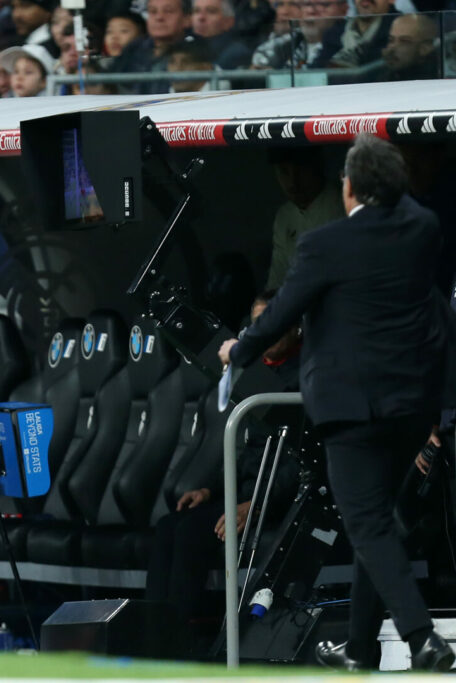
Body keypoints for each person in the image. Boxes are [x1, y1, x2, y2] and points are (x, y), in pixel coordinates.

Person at [218, 134, 453, 672]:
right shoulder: (423, 229)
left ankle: (423, 639)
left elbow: (280, 315)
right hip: (409, 404)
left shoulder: (325, 246)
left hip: (350, 407)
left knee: (368, 523)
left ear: (348, 188)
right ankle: (360, 649)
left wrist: (239, 349)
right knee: (379, 521)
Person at [147, 291, 301, 622]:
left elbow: (301, 463)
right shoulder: (257, 375)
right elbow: (249, 455)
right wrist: (212, 491)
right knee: (167, 526)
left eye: (271, 323)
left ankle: (181, 644)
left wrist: (259, 505)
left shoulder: (304, 377)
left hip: (281, 503)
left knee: (190, 533)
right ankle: (153, 635)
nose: (262, 332)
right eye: (256, 325)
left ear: (294, 326)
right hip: (249, 494)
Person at [265, 147, 344, 289]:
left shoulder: (341, 207)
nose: (293, 181)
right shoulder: (285, 216)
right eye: (284, 171)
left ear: (317, 165)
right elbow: (277, 281)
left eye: (300, 170)